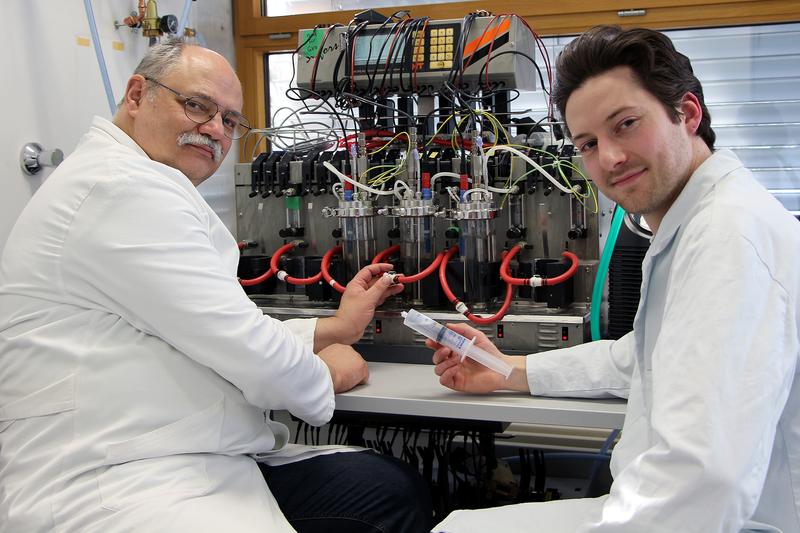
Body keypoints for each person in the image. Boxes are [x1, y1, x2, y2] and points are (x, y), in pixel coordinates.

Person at [0, 38, 430, 532]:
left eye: (229, 121)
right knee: (384, 496)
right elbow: (243, 345)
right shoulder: (122, 189)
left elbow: (208, 327)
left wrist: (334, 327)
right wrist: (323, 373)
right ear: (137, 95)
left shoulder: (130, 180)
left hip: (169, 455)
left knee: (384, 487)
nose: (213, 131)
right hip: (122, 485)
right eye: (197, 106)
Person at [428, 26, 799, 533]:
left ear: (687, 113)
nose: (609, 158)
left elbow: (703, 483)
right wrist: (508, 370)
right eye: (588, 143)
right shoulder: (692, 222)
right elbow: (642, 358)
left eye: (625, 124)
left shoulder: (727, 240)